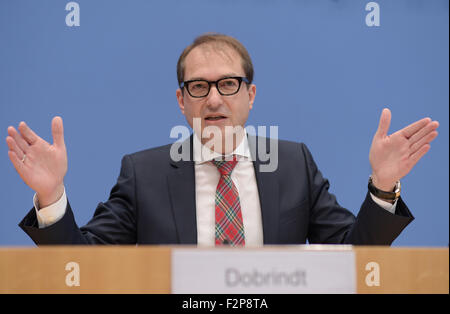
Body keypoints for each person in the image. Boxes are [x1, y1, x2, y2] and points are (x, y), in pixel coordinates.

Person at [6, 33, 439, 246]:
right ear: (181, 101)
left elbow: (354, 254)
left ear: (250, 96)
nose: (213, 99)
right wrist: (50, 195)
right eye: (199, 87)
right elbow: (83, 264)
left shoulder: (293, 165)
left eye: (228, 84)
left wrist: (382, 186)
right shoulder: (145, 174)